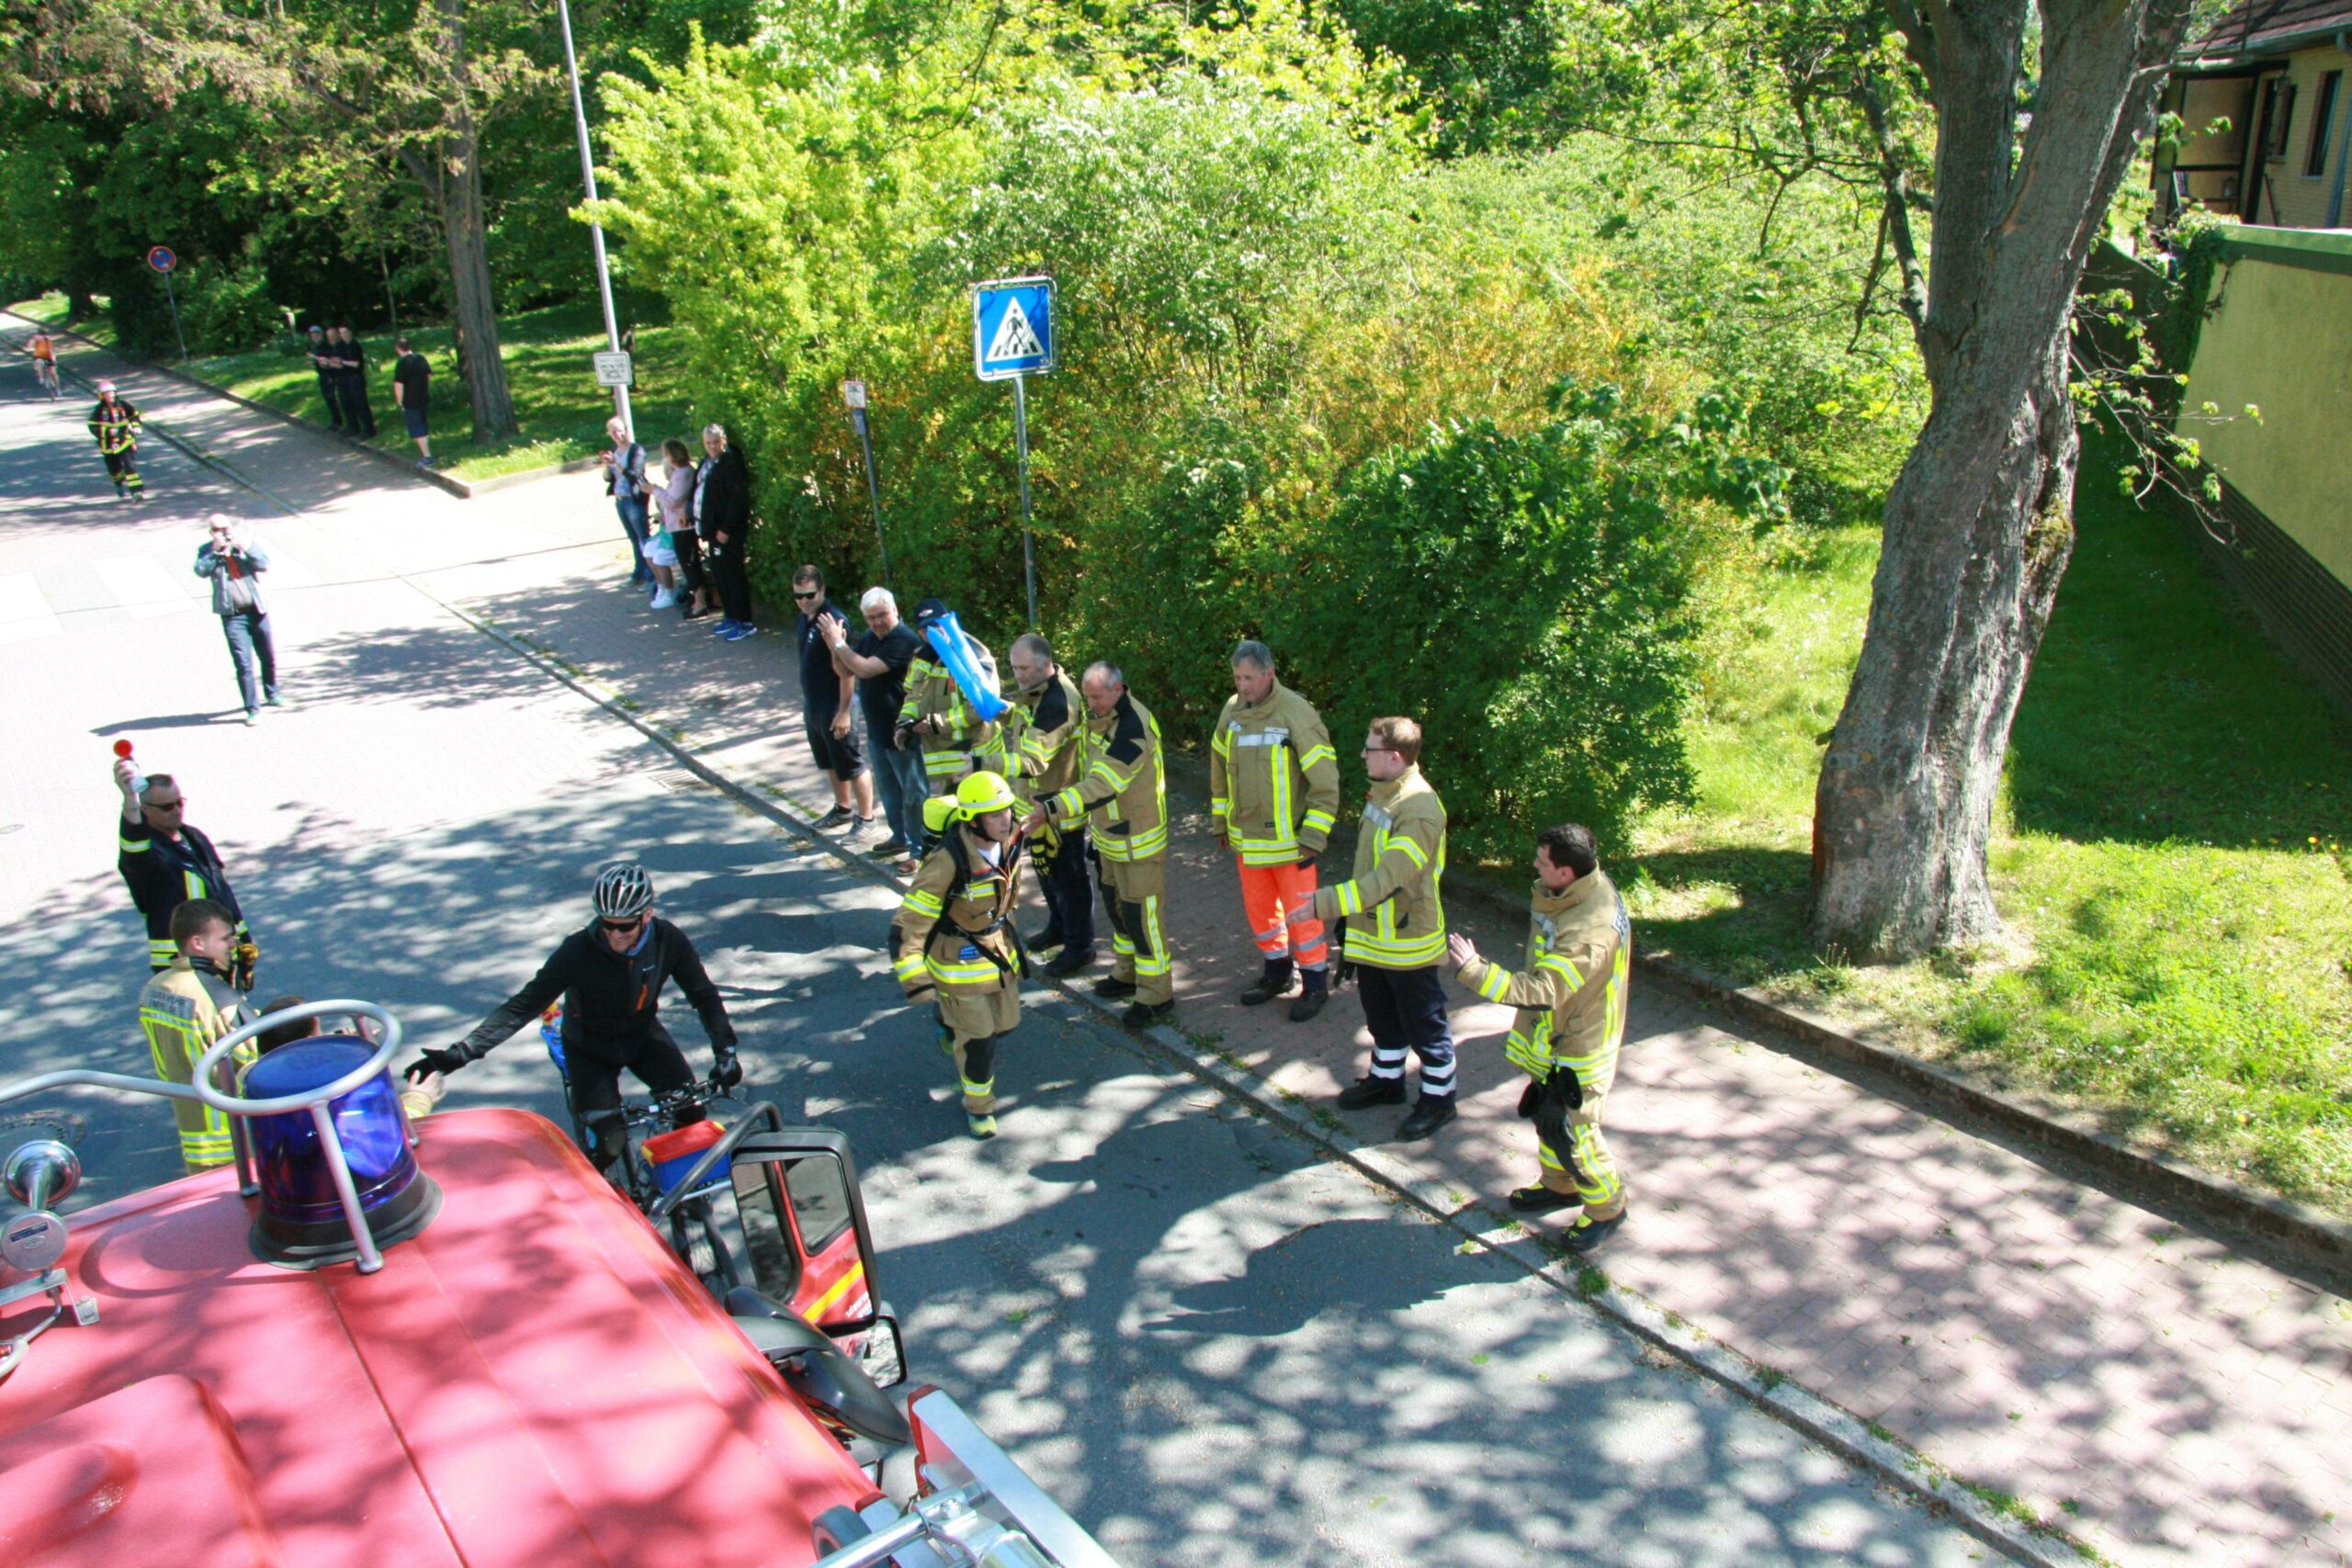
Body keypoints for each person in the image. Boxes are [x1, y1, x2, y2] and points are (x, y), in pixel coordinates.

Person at [402, 863, 741, 1172]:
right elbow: (523, 1006)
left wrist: (725, 1049)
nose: (615, 935)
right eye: (607, 924)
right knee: (611, 1143)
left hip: (642, 1037)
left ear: (647, 915)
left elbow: (703, 995)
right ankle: (601, 1186)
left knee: (692, 1113)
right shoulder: (577, 951)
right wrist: (460, 1053)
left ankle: (687, 1191)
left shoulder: (669, 940)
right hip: (589, 1048)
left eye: (625, 926)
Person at [1446, 823, 1632, 1250]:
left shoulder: (1590, 931)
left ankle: (1607, 1208)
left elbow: (1546, 991)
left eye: (1542, 862)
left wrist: (1475, 971)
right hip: (1560, 1035)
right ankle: (1559, 1185)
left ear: (1565, 872)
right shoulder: (1578, 891)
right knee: (1551, 1118)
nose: (1534, 865)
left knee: (1576, 1132)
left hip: (1581, 1044)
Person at [1289, 716, 1454, 1141]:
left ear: (1395, 757)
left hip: (1407, 943)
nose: (1363, 754)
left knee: (1425, 1025)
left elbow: (1387, 880)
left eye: (1370, 749)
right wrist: (1349, 923)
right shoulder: (1384, 794)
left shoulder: (1417, 809)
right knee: (1382, 1018)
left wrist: (1322, 906)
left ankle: (1439, 1101)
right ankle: (1387, 1082)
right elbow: (1368, 866)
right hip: (1375, 938)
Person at [1027, 661, 1172, 1029]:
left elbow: (1102, 784)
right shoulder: (1102, 718)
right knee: (1118, 910)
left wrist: (1052, 808)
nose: (1089, 703)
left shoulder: (1134, 728)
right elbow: (1084, 767)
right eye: (1087, 695)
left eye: (1095, 696)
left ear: (1118, 689)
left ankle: (1157, 995)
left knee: (1142, 921)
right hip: (1110, 837)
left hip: (1138, 842)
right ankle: (1127, 974)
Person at [1209, 640, 1340, 1021]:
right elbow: (1219, 768)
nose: (1242, 686)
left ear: (1269, 673)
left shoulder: (1296, 713)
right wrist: (1221, 822)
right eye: (1237, 677)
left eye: (1249, 677)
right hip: (1248, 842)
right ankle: (1277, 972)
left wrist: (1314, 836)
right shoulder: (1231, 711)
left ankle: (1316, 983)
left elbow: (1325, 783)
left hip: (1291, 846)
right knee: (1261, 913)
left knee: (1304, 917)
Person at [891, 772, 1026, 1139]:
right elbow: (907, 923)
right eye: (994, 814)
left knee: (1006, 1026)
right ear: (973, 821)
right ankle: (979, 1107)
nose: (1005, 820)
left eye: (1007, 810)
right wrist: (916, 980)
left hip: (997, 953)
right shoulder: (948, 861)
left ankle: (947, 1020)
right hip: (956, 962)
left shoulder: (1013, 837)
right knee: (980, 1042)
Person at [136, 898, 255, 1174]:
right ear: (197, 943)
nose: (233, 945)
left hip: (192, 1134)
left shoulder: (154, 989)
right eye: (226, 938)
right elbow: (252, 1056)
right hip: (234, 1139)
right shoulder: (217, 997)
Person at [1004, 632, 1095, 976]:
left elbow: (1033, 760)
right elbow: (1026, 724)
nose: (1018, 675)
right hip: (1037, 804)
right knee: (1047, 872)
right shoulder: (1039, 689)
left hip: (1060, 808)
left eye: (1024, 668)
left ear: (1045, 665)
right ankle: (1058, 928)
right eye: (1014, 667)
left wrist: (986, 766)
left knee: (1069, 879)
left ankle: (1080, 947)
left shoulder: (1059, 702)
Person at [114, 757, 253, 977]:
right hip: (182, 966)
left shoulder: (194, 837)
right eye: (167, 807)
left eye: (179, 802)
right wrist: (130, 800)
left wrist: (244, 942)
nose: (177, 810)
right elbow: (133, 847)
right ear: (146, 810)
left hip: (220, 957)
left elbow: (223, 894)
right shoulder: (147, 855)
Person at [820, 586, 925, 866]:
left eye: (882, 615)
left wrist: (841, 646)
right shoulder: (870, 638)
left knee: (914, 795)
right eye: (870, 617)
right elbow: (845, 671)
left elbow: (865, 669)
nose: (877, 622)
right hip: (879, 732)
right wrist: (835, 647)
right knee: (890, 792)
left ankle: (920, 851)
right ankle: (900, 837)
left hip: (906, 733)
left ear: (895, 610)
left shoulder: (903, 639)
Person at [790, 565, 877, 837]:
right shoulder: (805, 618)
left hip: (835, 704)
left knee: (851, 762)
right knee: (828, 760)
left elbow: (846, 668)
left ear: (822, 590)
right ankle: (842, 809)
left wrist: (844, 712)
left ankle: (867, 818)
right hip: (814, 704)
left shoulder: (834, 621)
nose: (804, 601)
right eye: (798, 596)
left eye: (810, 595)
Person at [895, 598, 1002, 807]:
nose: (931, 633)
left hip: (976, 757)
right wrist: (904, 723)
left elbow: (982, 707)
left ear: (947, 622)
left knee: (987, 816)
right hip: (948, 763)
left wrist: (936, 723)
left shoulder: (971, 655)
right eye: (924, 629)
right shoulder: (921, 657)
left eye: (935, 625)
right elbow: (912, 695)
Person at [194, 513, 282, 726]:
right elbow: (200, 570)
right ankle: (252, 709)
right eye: (217, 530)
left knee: (267, 656)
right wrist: (216, 551)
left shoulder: (243, 543)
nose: (223, 533)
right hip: (233, 615)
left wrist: (245, 547)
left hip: (257, 610)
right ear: (211, 533)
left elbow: (263, 563)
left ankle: (272, 692)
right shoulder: (207, 550)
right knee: (244, 664)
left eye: (225, 528)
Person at [695, 423, 756, 639]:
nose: (712, 446)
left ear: (724, 440)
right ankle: (731, 615)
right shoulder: (708, 462)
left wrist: (726, 529)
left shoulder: (731, 463)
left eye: (716, 442)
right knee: (720, 574)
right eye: (708, 443)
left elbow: (738, 501)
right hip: (713, 530)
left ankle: (745, 621)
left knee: (733, 575)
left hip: (727, 531)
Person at [601, 415, 653, 591]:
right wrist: (607, 466)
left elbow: (635, 474)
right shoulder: (613, 450)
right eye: (613, 431)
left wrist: (617, 464)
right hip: (620, 498)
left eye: (619, 430)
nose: (617, 434)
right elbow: (609, 478)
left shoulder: (636, 450)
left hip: (634, 498)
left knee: (643, 537)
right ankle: (639, 573)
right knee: (633, 538)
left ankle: (652, 576)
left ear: (625, 430)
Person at [661, 438, 710, 619]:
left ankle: (700, 603)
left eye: (665, 454)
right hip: (679, 524)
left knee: (689, 562)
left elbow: (673, 501)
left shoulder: (683, 474)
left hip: (683, 525)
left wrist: (655, 490)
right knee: (689, 561)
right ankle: (698, 599)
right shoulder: (681, 472)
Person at [86, 379, 146, 501]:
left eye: (112, 393)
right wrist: (107, 432)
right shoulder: (98, 410)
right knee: (114, 470)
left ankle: (137, 492)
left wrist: (136, 426)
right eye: (107, 393)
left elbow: (134, 415)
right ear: (102, 396)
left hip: (125, 440)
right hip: (108, 445)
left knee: (130, 466)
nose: (110, 395)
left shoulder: (123, 405)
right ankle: (118, 483)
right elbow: (92, 426)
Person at [390, 335, 435, 469]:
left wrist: (400, 401)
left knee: (417, 428)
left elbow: (399, 385)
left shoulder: (401, 363)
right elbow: (428, 375)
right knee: (423, 424)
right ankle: (426, 452)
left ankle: (427, 457)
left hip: (410, 400)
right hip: (423, 396)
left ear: (398, 349)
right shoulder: (420, 358)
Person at [334, 325, 376, 438]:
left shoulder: (355, 346)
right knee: (346, 403)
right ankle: (352, 426)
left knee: (360, 403)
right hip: (344, 378)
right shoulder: (339, 346)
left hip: (356, 377)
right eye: (341, 333)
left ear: (350, 332)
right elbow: (337, 362)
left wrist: (343, 362)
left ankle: (369, 429)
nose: (344, 335)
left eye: (345, 332)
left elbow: (357, 364)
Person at [306, 325, 346, 433]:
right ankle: (335, 420)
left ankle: (337, 422)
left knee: (331, 397)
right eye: (312, 336)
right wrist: (314, 362)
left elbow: (328, 360)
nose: (314, 337)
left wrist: (319, 361)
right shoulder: (317, 346)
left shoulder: (326, 346)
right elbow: (320, 360)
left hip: (329, 374)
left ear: (321, 335)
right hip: (323, 375)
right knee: (328, 398)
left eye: (316, 335)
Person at [27, 328, 61, 399]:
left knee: (52, 372)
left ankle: (57, 388)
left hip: (47, 356)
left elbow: (51, 349)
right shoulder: (39, 338)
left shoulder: (47, 339)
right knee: (41, 364)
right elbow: (30, 346)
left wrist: (54, 359)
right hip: (42, 356)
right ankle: (42, 378)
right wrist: (34, 340)